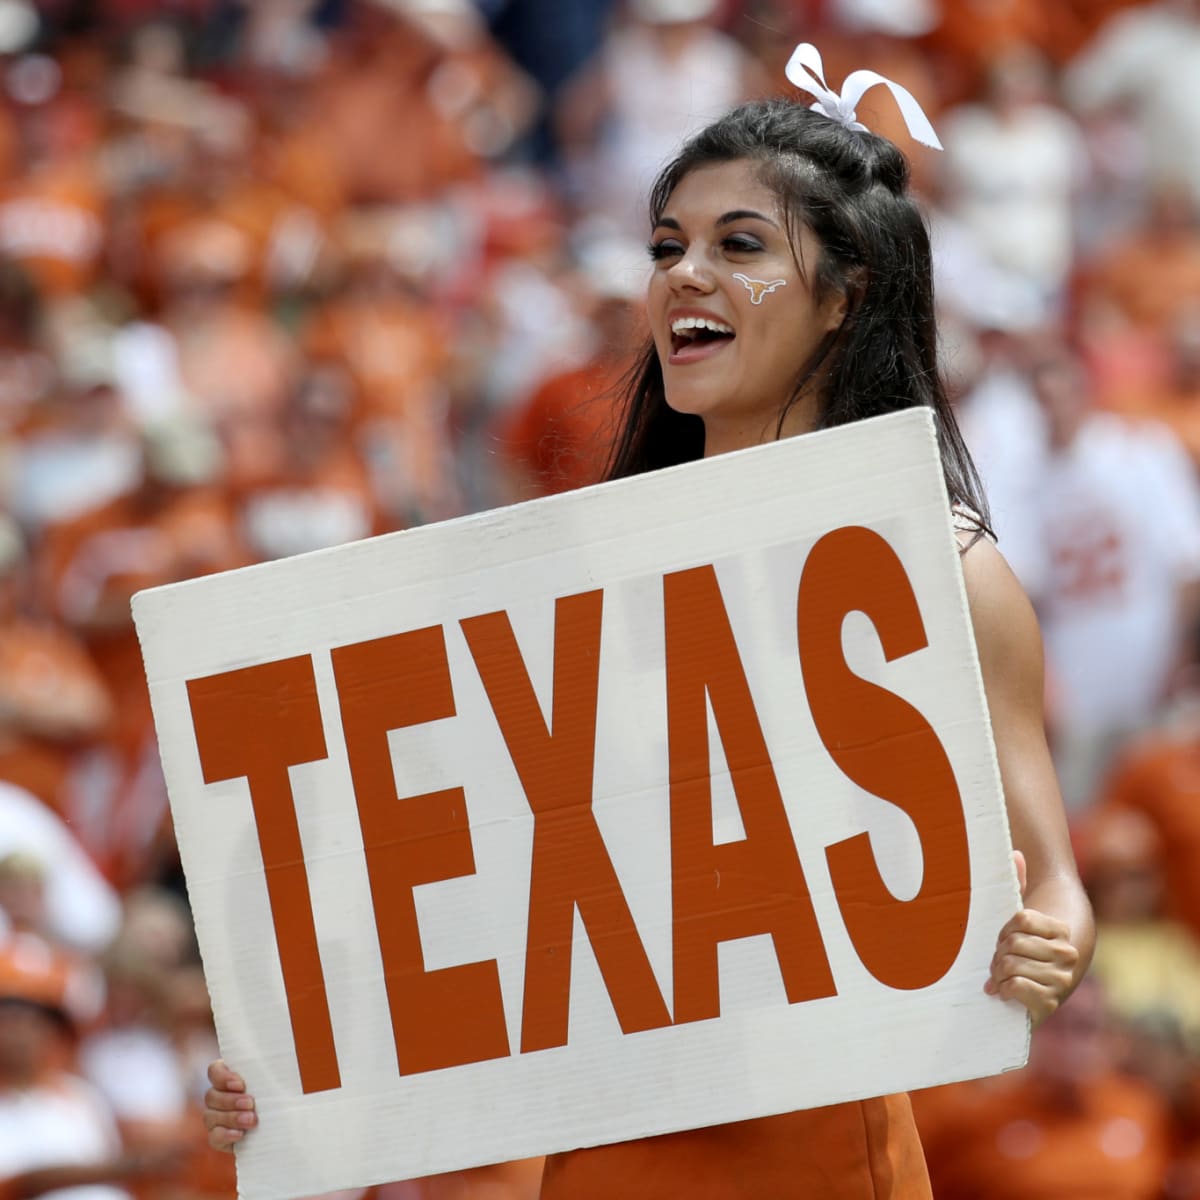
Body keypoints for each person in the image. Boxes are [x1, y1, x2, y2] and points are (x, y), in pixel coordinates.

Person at [201, 46, 1094, 1199]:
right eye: (666, 247)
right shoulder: (571, 574)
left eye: (739, 245)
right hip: (603, 1161)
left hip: (822, 1161)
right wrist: (291, 1064)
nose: (683, 276)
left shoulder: (949, 570)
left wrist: (1049, 946)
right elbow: (465, 893)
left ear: (848, 290)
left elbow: (1056, 883)